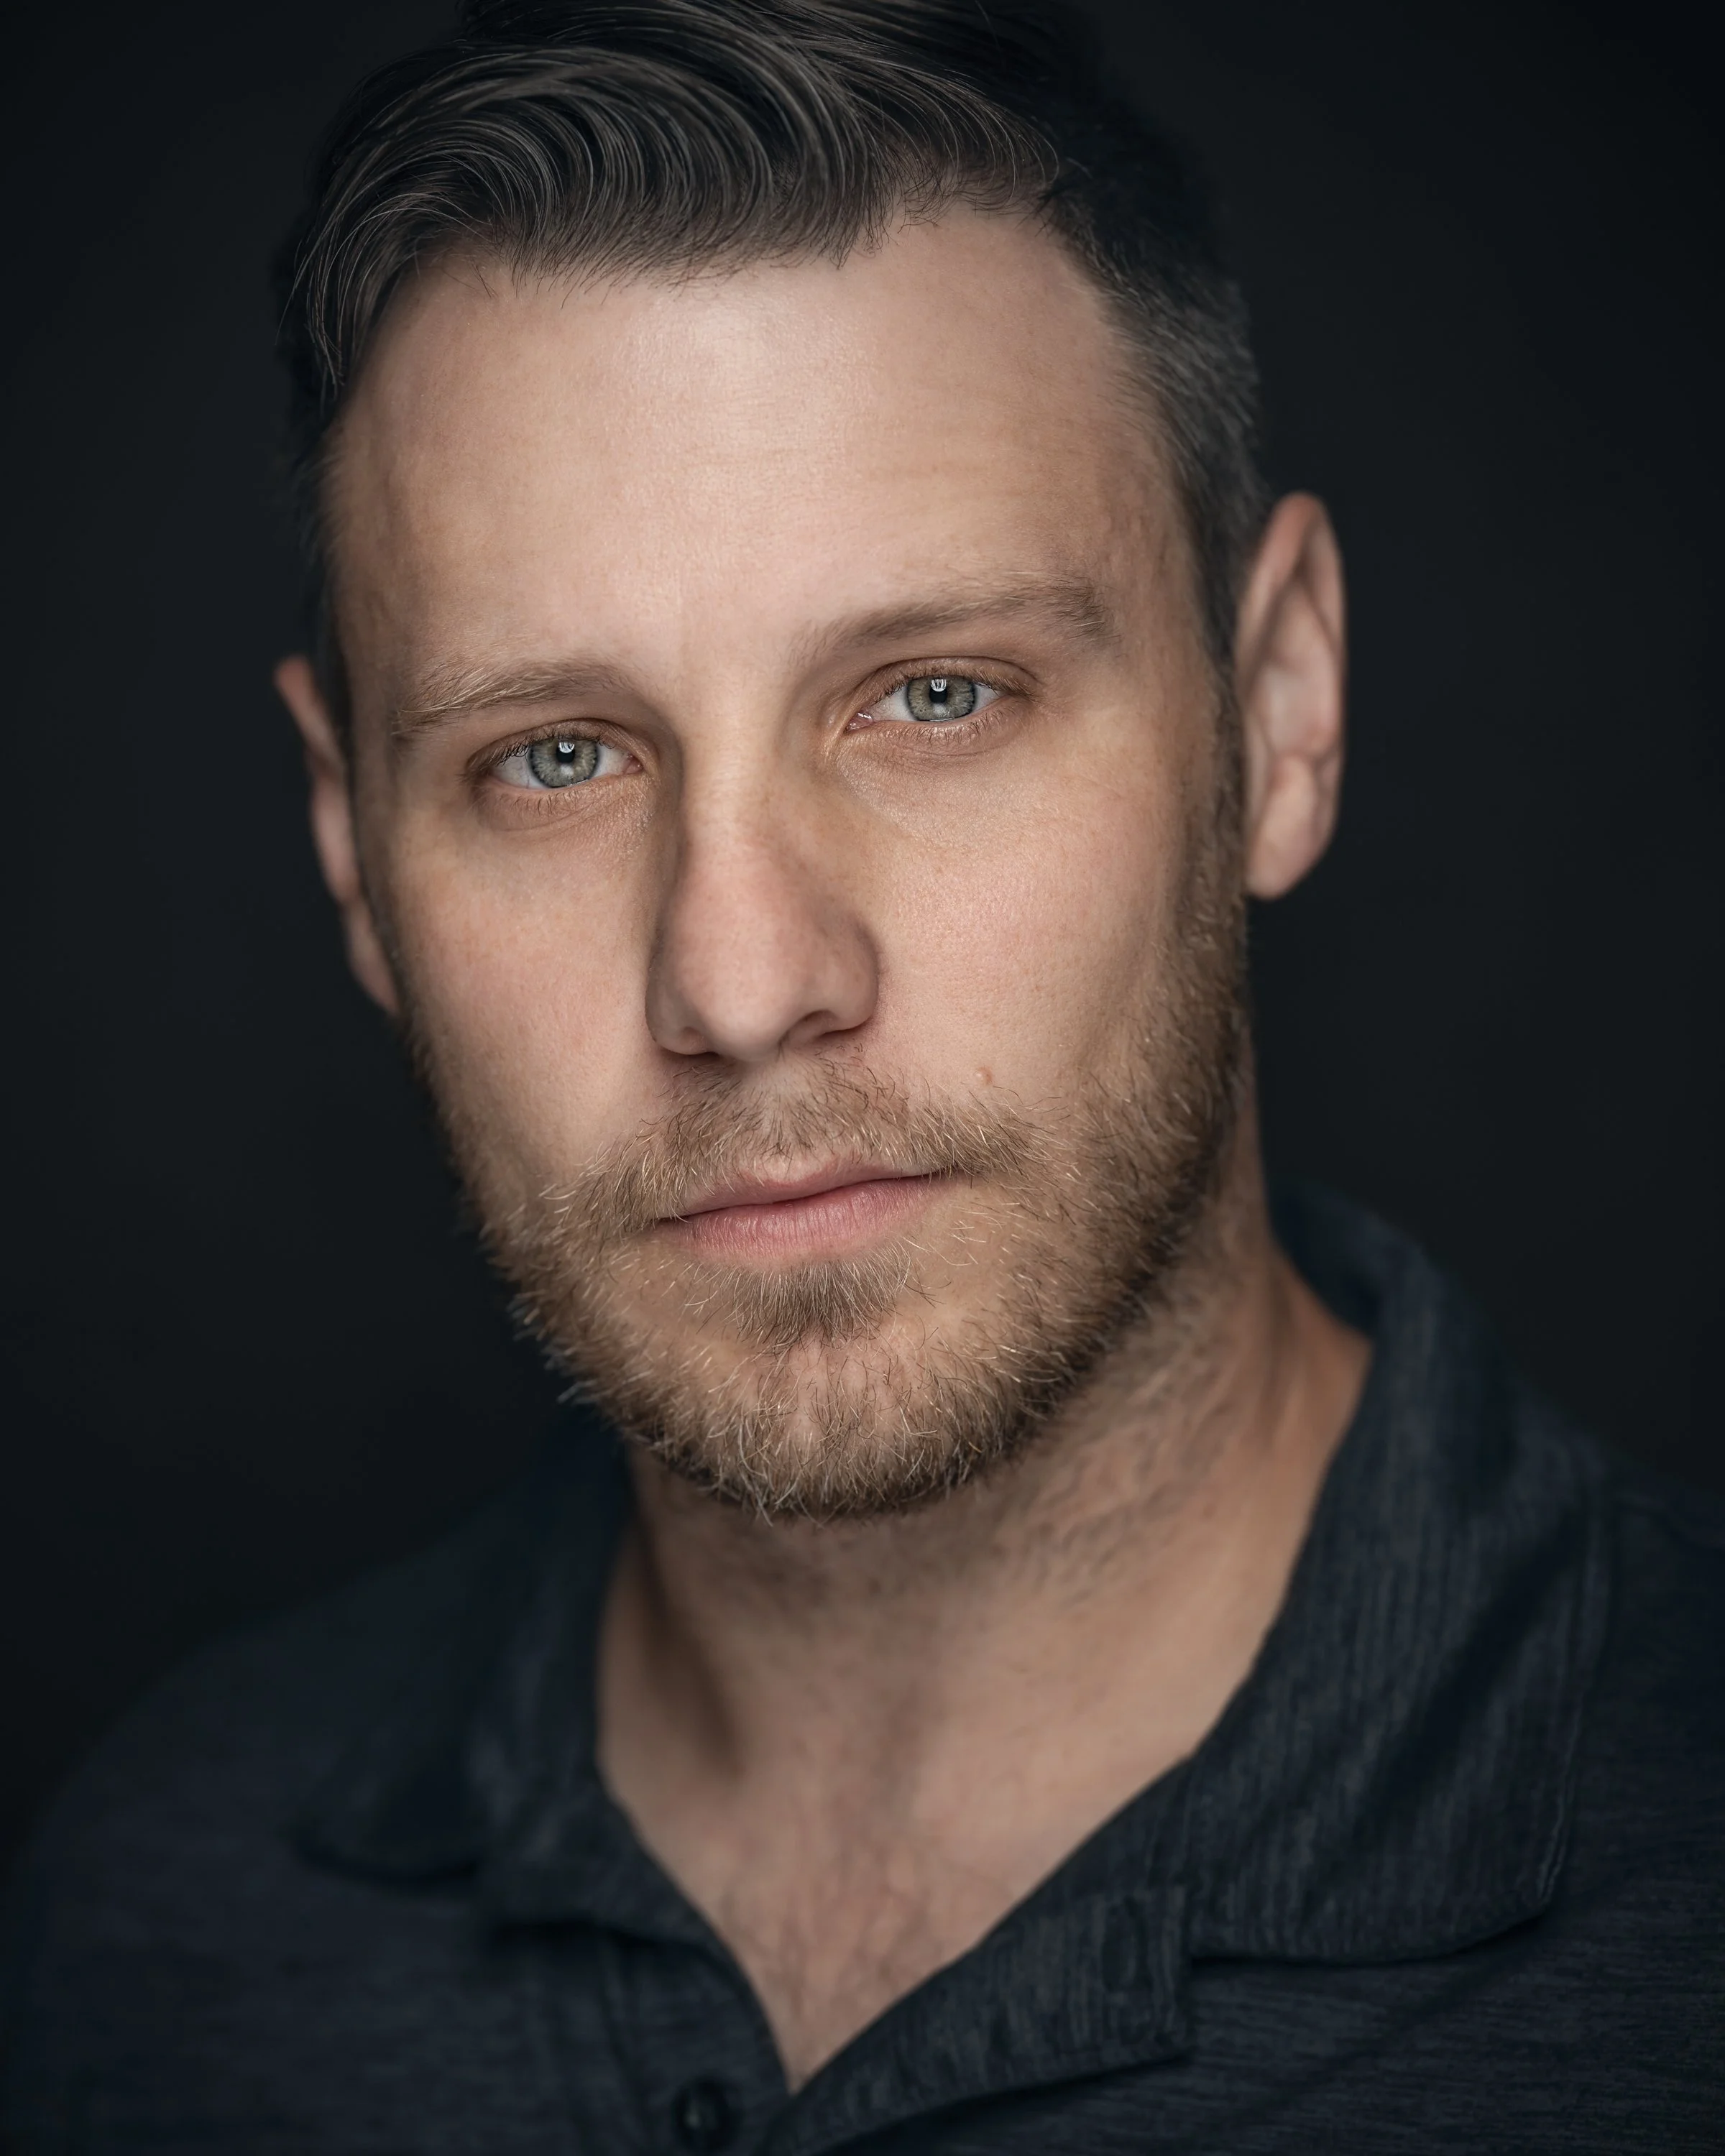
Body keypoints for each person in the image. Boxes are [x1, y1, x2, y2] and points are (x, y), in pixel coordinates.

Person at [3, 1, 1721, 2147]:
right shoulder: (170, 1925)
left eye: (932, 697)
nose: (740, 976)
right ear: (355, 852)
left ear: (1278, 712)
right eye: (553, 757)